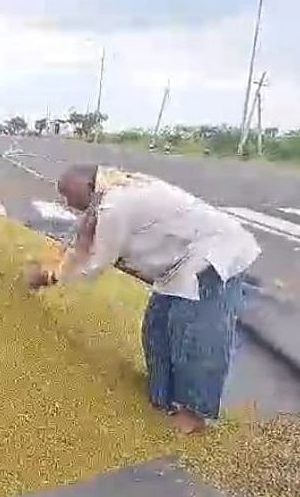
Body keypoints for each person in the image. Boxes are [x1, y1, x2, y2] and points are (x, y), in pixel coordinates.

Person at [26, 164, 261, 434]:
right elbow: (83, 242)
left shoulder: (115, 205)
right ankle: (164, 396)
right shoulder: (106, 195)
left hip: (212, 255)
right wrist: (59, 264)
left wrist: (50, 277)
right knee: (157, 327)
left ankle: (195, 413)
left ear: (89, 187)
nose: (66, 203)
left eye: (69, 195)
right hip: (177, 263)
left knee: (194, 332)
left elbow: (96, 261)